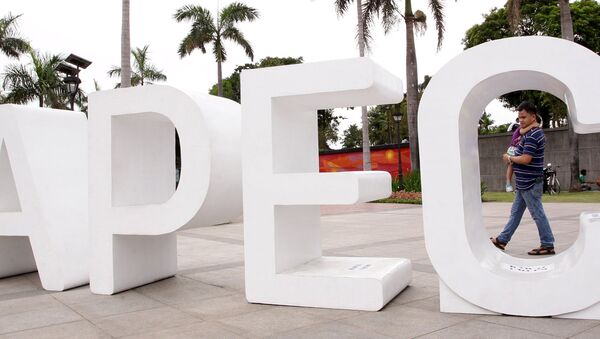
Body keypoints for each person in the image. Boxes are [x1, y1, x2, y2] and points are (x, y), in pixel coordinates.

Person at [491, 101, 555, 255]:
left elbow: (526, 159)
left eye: (524, 117)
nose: (521, 120)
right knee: (516, 213)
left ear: (533, 117)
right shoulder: (529, 132)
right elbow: (520, 135)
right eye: (519, 117)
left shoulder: (534, 135)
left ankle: (547, 244)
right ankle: (502, 240)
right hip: (523, 183)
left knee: (537, 214)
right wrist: (511, 157)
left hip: (531, 182)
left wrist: (510, 158)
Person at [505, 118, 540, 192]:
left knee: (519, 168)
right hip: (514, 148)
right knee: (511, 166)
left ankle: (518, 186)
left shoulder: (529, 132)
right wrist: (533, 125)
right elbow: (522, 131)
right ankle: (508, 183)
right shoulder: (521, 129)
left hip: (518, 149)